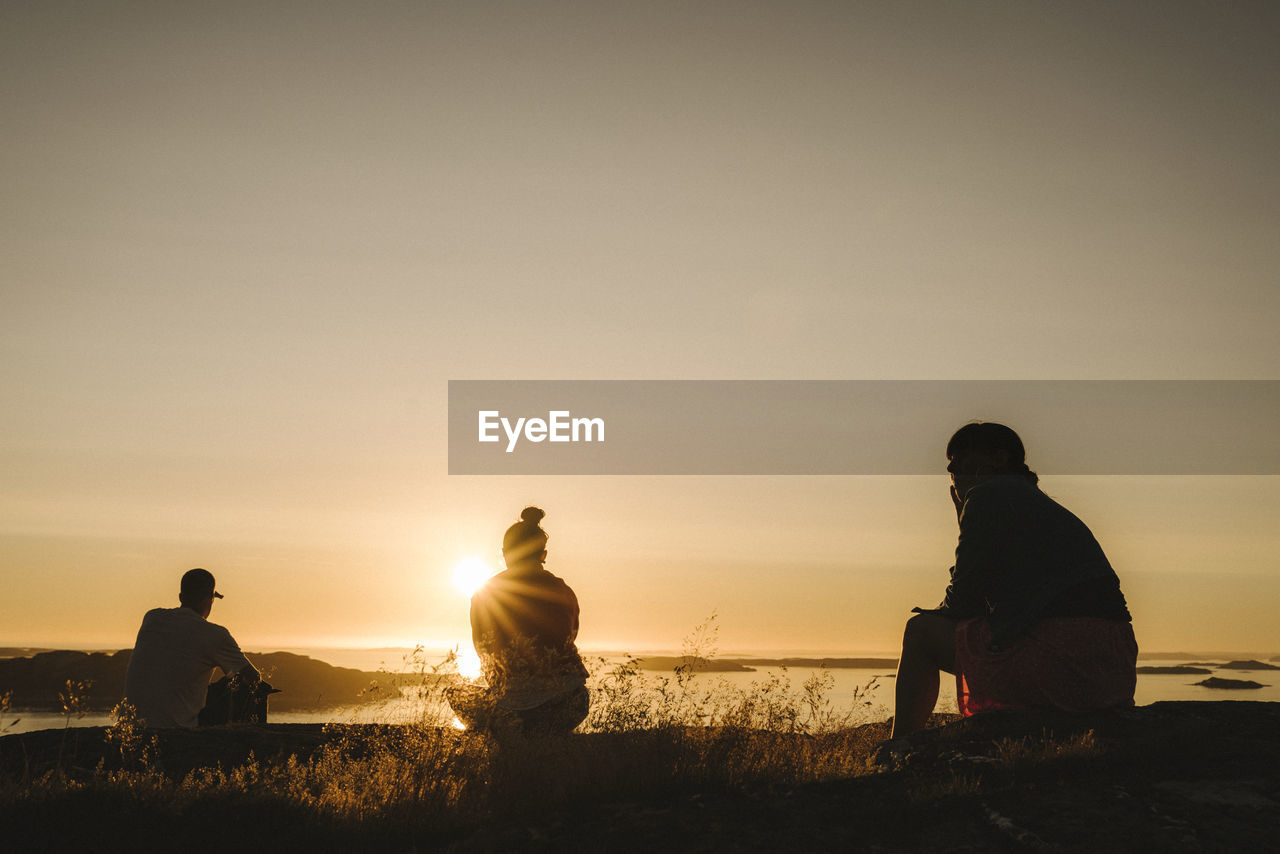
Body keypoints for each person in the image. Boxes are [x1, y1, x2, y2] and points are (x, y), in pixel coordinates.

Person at [890, 423, 1137, 738]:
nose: (952, 467)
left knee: (921, 631)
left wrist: (964, 515)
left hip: (1063, 663)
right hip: (1109, 672)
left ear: (1000, 459)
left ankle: (900, 748)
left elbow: (964, 601)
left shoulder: (988, 495)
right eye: (951, 461)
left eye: (963, 457)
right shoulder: (1037, 503)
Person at [448, 507, 589, 734]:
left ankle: (507, 735)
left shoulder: (485, 594)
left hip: (512, 710)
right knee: (575, 698)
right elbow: (569, 637)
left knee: (456, 694)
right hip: (568, 706)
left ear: (505, 553)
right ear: (543, 554)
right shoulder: (564, 591)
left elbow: (483, 651)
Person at [123, 568, 260, 728]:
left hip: (130, 729)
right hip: (174, 731)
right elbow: (253, 678)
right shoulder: (215, 634)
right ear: (210, 599)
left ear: (181, 597)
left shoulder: (152, 618)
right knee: (249, 687)